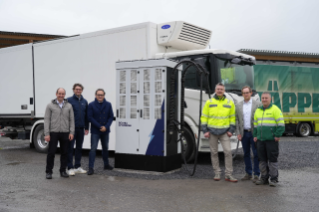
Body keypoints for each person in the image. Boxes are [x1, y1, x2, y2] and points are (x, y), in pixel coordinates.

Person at [201, 83, 237, 182]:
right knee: (214, 152)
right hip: (211, 132)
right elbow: (204, 117)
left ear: (224, 91)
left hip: (225, 132)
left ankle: (228, 174)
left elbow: (232, 118)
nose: (220, 91)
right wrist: (205, 130)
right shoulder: (209, 102)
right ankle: (217, 172)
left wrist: (231, 130)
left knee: (228, 152)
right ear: (215, 90)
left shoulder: (229, 103)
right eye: (218, 89)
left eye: (221, 89)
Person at [253, 92, 285, 187]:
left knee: (272, 160)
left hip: (272, 140)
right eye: (262, 98)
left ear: (270, 99)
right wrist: (255, 135)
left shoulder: (275, 109)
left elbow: (281, 124)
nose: (264, 100)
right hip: (260, 140)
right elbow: (255, 125)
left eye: (266, 98)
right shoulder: (258, 110)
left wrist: (277, 135)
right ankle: (264, 178)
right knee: (262, 160)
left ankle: (274, 179)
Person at [44, 88, 75, 179]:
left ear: (64, 95)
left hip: (65, 132)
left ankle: (63, 171)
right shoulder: (50, 105)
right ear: (56, 94)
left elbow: (72, 120)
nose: (61, 95)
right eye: (59, 93)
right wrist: (47, 133)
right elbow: (47, 120)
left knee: (64, 153)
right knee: (51, 153)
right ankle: (49, 172)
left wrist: (71, 132)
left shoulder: (69, 106)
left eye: (63, 94)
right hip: (53, 132)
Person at [235, 86, 261, 182]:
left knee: (256, 154)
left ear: (251, 93)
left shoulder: (257, 104)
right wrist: (238, 133)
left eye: (247, 92)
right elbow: (237, 120)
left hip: (254, 133)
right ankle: (248, 173)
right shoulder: (238, 105)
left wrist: (258, 134)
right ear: (242, 94)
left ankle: (257, 174)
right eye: (244, 93)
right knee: (246, 154)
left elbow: (260, 119)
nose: (246, 94)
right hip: (244, 134)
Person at [87, 88, 114, 175]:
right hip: (95, 130)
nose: (100, 96)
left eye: (101, 95)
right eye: (98, 95)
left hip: (105, 131)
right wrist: (99, 126)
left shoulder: (108, 104)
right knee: (93, 149)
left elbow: (111, 117)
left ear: (104, 95)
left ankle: (106, 164)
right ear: (95, 95)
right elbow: (90, 117)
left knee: (105, 148)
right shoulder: (91, 105)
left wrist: (106, 127)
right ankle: (91, 167)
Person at [66, 83, 89, 176]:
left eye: (80, 89)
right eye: (76, 89)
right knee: (70, 148)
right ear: (73, 90)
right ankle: (70, 167)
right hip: (72, 129)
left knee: (79, 148)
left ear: (82, 90)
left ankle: (77, 166)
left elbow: (86, 116)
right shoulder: (69, 100)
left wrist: (87, 127)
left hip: (81, 128)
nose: (78, 90)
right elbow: (65, 115)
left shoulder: (85, 101)